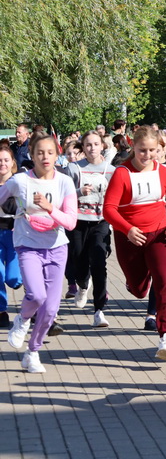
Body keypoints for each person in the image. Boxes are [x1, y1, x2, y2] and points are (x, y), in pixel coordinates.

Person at [103, 126, 166, 360]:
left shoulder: (164, 172)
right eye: (142, 150)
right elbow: (109, 210)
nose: (148, 155)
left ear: (160, 149)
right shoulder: (122, 173)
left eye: (153, 150)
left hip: (158, 235)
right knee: (139, 290)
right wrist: (127, 229)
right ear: (133, 147)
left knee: (165, 282)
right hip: (130, 238)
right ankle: (137, 281)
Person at [2, 134, 77, 373]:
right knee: (36, 295)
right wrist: (13, 210)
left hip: (57, 248)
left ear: (57, 155)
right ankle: (22, 320)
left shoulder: (65, 181)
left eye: (50, 152)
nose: (45, 157)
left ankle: (33, 352)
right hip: (27, 245)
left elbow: (71, 222)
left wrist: (49, 208)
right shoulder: (19, 181)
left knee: (51, 309)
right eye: (40, 153)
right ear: (31, 155)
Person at [64, 131, 114, 327]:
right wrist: (79, 192)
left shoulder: (111, 170)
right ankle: (83, 285)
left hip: (100, 222)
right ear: (82, 148)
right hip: (77, 221)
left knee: (99, 263)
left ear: (102, 146)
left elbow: (116, 197)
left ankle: (99, 310)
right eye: (88, 145)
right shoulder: (74, 168)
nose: (92, 148)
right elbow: (65, 195)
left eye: (95, 144)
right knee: (78, 260)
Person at [0, 144, 22, 328]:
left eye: (6, 160)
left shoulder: (18, 183)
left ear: (12, 163)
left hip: (15, 234)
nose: (2, 164)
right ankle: (1, 311)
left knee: (13, 279)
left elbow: (22, 207)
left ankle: (18, 279)